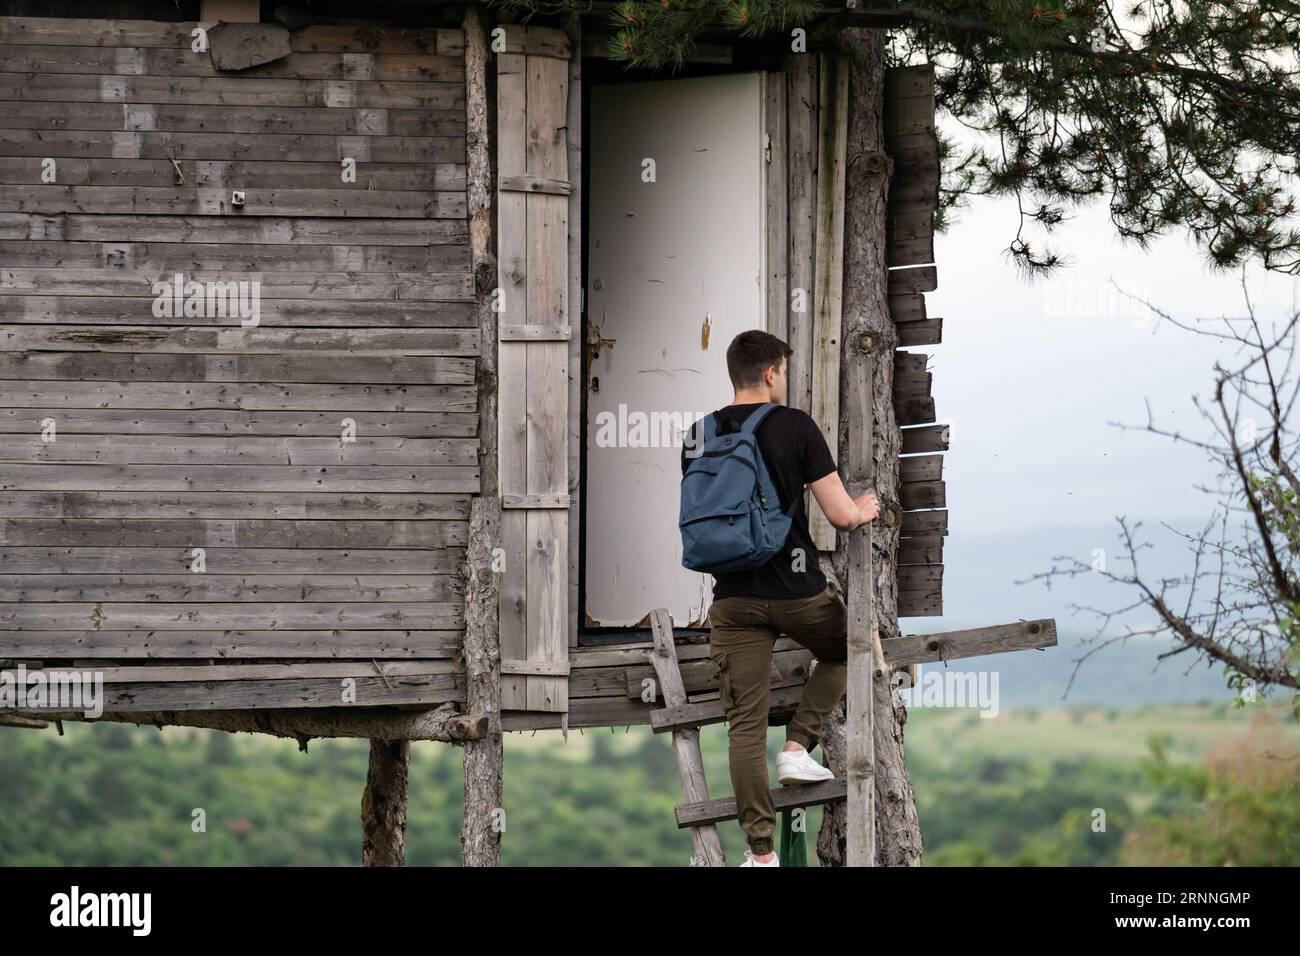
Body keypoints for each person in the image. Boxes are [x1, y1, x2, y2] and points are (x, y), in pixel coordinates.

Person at [680, 329, 880, 867]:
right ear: (771, 372)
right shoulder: (795, 426)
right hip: (796, 592)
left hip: (732, 601)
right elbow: (841, 515)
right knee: (849, 648)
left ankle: (762, 856)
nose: (784, 380)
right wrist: (864, 508)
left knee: (743, 726)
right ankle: (797, 748)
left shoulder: (696, 435)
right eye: (783, 371)